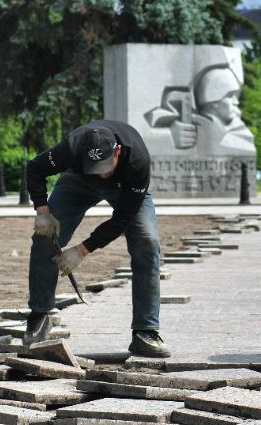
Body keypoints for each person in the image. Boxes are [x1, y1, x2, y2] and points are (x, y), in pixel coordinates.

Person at [22, 120, 169, 358]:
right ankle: (40, 315)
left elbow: (122, 219)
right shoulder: (71, 147)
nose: (101, 175)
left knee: (147, 242)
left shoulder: (138, 161)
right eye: (95, 167)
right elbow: (35, 168)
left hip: (126, 187)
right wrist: (42, 211)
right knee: (44, 239)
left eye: (105, 167)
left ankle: (146, 331)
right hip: (77, 183)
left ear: (117, 152)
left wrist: (81, 250)